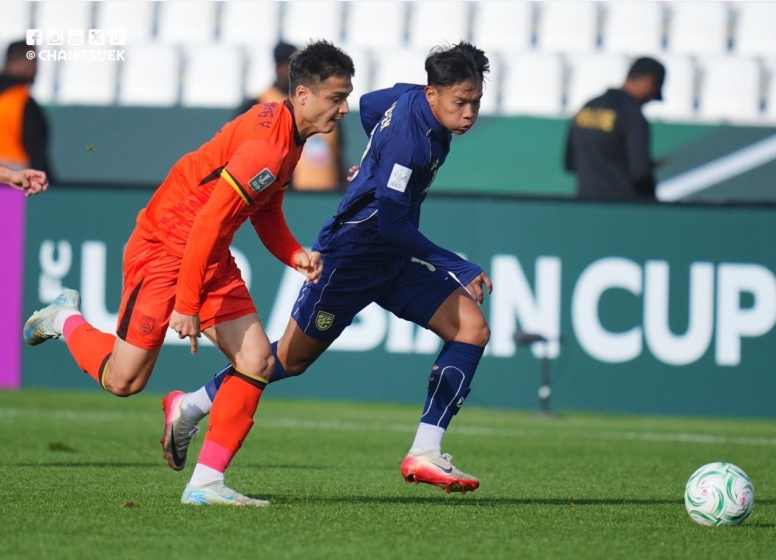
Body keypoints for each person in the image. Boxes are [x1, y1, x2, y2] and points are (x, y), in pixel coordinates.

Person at [23, 41, 355, 507]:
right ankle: (62, 318)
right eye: (336, 98)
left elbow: (264, 210)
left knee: (257, 359)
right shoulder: (267, 145)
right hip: (164, 249)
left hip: (207, 252)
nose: (344, 109)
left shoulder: (289, 137)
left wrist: (293, 253)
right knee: (124, 381)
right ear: (302, 94)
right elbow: (207, 222)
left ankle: (205, 482)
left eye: (346, 98)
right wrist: (187, 303)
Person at [163, 42, 493, 495]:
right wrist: (456, 264)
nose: (469, 113)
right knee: (288, 360)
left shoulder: (411, 97)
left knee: (471, 329)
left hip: (392, 259)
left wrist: (374, 163)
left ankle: (425, 450)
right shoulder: (411, 144)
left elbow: (371, 104)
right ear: (433, 94)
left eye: (475, 102)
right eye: (460, 102)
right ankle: (192, 404)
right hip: (351, 258)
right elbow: (392, 223)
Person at [236, 40, 346, 191]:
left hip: (328, 195)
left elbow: (339, 155)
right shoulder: (258, 105)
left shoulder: (323, 106)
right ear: (278, 67)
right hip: (283, 196)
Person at [564, 56, 666, 201]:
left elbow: (570, 163)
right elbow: (640, 173)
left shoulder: (588, 107)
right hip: (621, 207)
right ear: (649, 82)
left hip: (586, 204)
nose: (649, 100)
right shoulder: (632, 115)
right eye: (653, 93)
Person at [0, 41, 53, 180]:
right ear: (16, 63)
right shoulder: (22, 102)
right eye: (33, 61)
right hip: (12, 184)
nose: (36, 69)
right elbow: (36, 152)